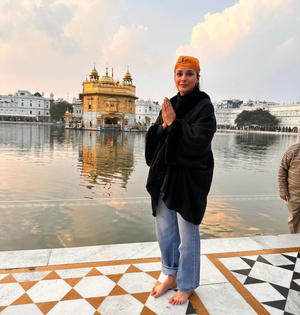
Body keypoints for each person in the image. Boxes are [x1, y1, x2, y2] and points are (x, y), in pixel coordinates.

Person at [145, 56, 216, 305]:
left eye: (189, 74)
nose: (183, 79)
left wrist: (174, 125)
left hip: (187, 179)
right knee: (165, 232)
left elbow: (200, 140)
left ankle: (186, 284)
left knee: (187, 236)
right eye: (179, 74)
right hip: (165, 176)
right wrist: (164, 128)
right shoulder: (171, 103)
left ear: (197, 77)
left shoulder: (204, 106)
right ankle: (171, 275)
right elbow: (156, 136)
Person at [278, 142, 300, 233]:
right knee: (294, 220)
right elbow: (282, 171)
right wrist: (283, 191)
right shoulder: (293, 150)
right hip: (294, 194)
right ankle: (294, 243)